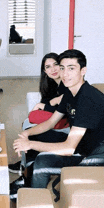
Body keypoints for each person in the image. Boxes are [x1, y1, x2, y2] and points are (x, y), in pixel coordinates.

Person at [11, 49, 104, 202]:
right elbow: (50, 122)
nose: (65, 74)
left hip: (95, 153)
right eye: (62, 68)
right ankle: (26, 180)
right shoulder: (70, 91)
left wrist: (29, 143)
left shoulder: (89, 99)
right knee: (34, 135)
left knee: (42, 163)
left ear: (83, 71)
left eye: (71, 68)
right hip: (81, 142)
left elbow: (69, 148)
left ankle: (35, 202)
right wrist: (27, 135)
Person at [9, 53, 70, 198]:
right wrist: (50, 104)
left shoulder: (68, 84)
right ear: (44, 71)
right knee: (28, 128)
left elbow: (62, 111)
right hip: (57, 122)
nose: (53, 69)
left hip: (67, 129)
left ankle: (27, 178)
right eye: (48, 67)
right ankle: (26, 169)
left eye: (55, 64)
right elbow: (54, 110)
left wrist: (46, 105)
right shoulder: (52, 85)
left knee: (32, 132)